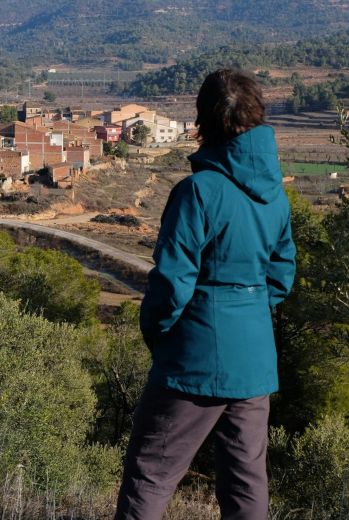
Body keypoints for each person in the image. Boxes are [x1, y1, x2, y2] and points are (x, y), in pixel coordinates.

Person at [114, 69, 297, 519]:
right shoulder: (275, 197)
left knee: (150, 476)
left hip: (192, 360)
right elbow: (281, 275)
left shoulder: (196, 192)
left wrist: (159, 334)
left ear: (203, 121)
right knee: (246, 484)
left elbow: (171, 283)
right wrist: (246, 312)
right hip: (254, 361)